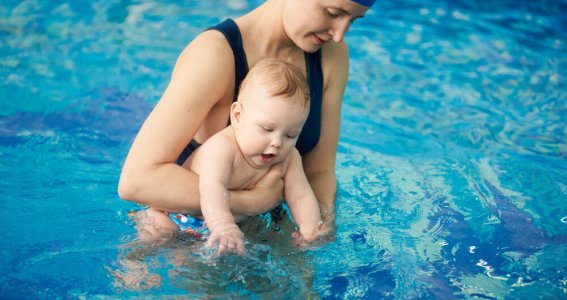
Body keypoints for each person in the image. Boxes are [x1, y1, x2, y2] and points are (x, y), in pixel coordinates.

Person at [118, 0, 375, 239]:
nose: (339, 33)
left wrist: (321, 222)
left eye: (353, 20)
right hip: (184, 226)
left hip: (266, 225)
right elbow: (136, 181)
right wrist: (252, 202)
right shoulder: (214, 55)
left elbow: (319, 170)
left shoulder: (331, 54)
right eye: (333, 13)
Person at [144, 59, 328, 254]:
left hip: (226, 224)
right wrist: (222, 224)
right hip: (174, 215)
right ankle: (133, 265)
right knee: (154, 237)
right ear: (238, 116)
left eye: (290, 135)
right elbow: (211, 188)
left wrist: (311, 229)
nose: (277, 142)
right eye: (267, 129)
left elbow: (300, 195)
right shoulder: (222, 148)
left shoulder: (290, 157)